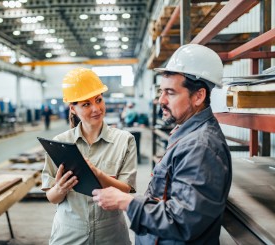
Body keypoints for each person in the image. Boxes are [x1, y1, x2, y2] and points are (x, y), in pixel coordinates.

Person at [92, 44, 232, 244]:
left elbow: (184, 221)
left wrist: (127, 202)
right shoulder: (187, 134)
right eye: (161, 92)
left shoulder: (201, 147)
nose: (161, 100)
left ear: (198, 96)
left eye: (171, 93)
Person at [41, 67, 138, 244]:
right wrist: (60, 189)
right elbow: (51, 196)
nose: (96, 108)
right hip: (69, 234)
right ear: (73, 109)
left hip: (110, 234)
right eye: (86, 104)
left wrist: (97, 174)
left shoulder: (125, 141)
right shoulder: (60, 143)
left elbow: (125, 189)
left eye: (99, 100)